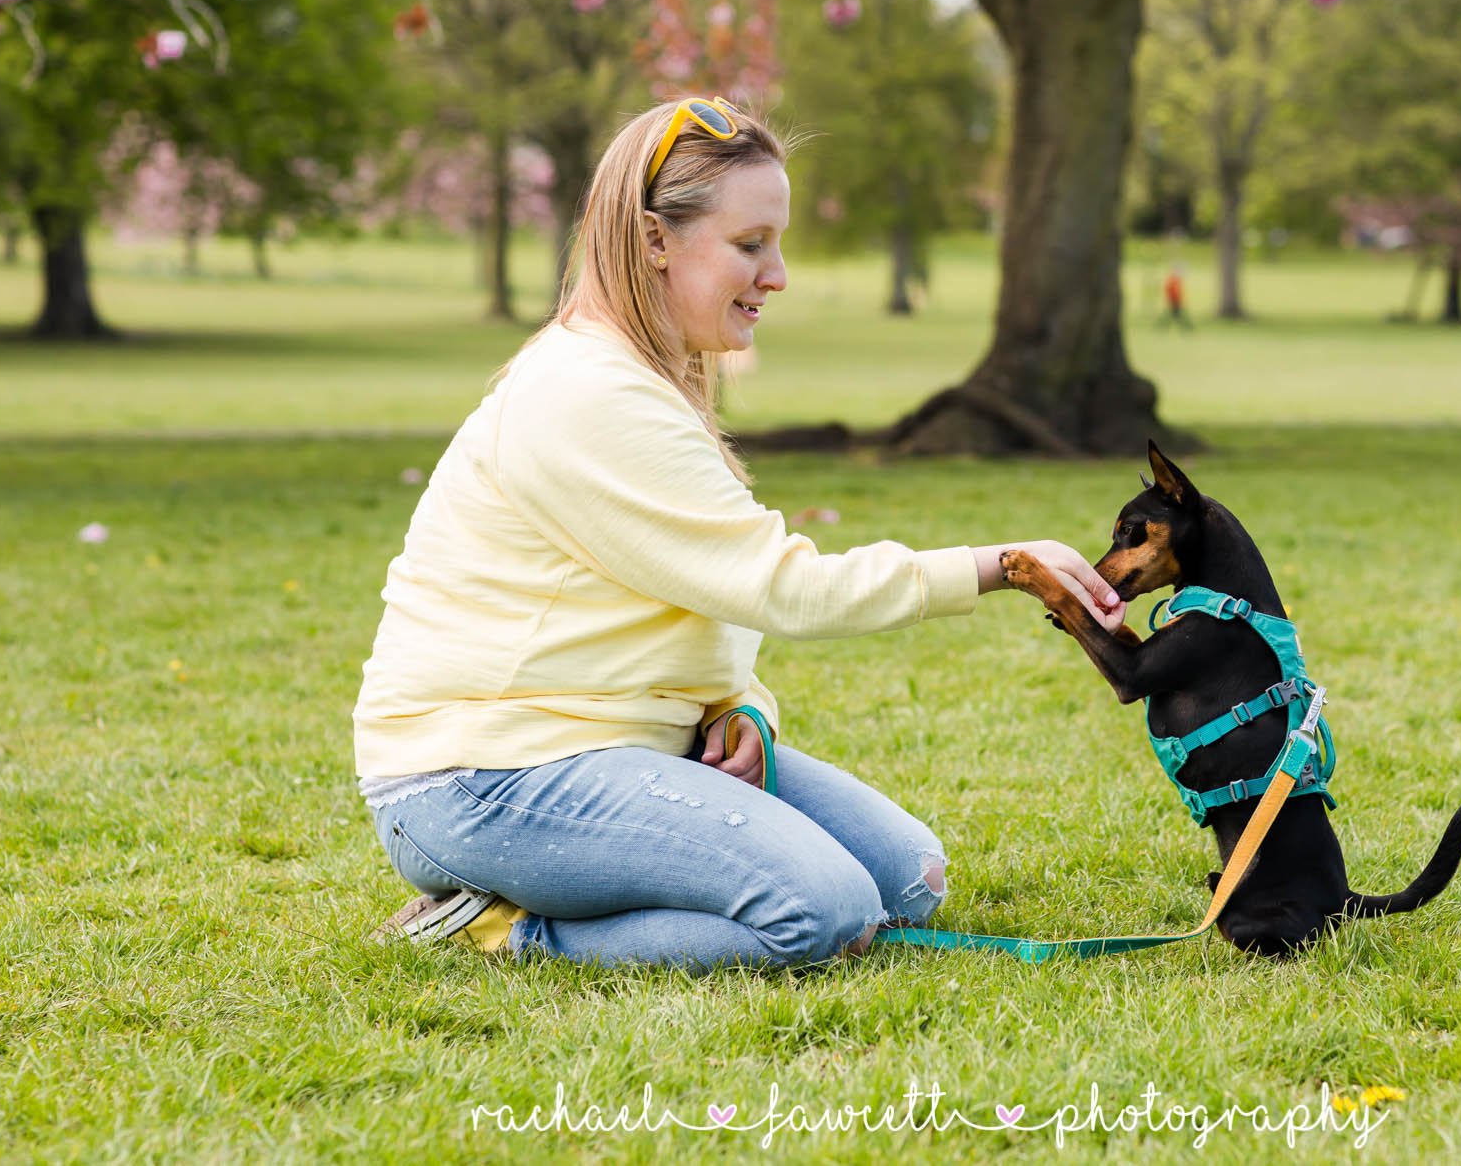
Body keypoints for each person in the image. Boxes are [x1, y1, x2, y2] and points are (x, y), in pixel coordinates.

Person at [355, 96, 1125, 972]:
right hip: (482, 778)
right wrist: (1003, 566)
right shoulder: (587, 394)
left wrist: (745, 706)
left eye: (778, 242)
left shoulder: (647, 383)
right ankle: (503, 925)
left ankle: (591, 877)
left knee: (907, 882)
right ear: (654, 241)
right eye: (751, 244)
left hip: (629, 743)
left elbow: (706, 591)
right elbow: (781, 585)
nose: (779, 273)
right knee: (823, 914)